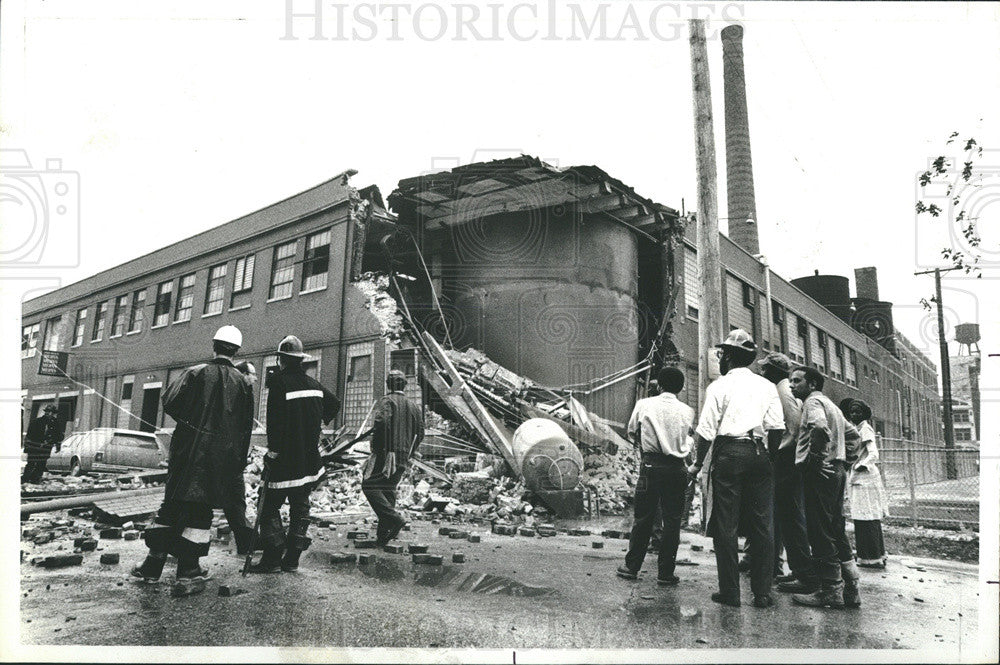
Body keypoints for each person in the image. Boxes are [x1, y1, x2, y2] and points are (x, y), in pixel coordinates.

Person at [132, 325, 254, 595]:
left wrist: (191, 422)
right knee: (201, 511)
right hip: (220, 458)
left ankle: (152, 565)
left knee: (171, 506)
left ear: (214, 345)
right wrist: (238, 458)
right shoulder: (243, 383)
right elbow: (246, 426)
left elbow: (170, 402)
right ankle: (189, 569)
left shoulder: (195, 373)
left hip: (187, 452)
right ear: (236, 351)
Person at [688, 329, 785, 609]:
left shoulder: (719, 386)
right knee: (762, 526)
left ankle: (731, 592)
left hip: (730, 453)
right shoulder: (766, 386)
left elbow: (706, 431)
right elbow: (776, 427)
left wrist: (697, 464)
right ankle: (763, 593)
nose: (720, 359)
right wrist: (770, 458)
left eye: (722, 354)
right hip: (759, 453)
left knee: (725, 525)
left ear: (729, 357)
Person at [250, 335, 340, 573]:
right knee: (300, 507)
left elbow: (275, 422)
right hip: (308, 460)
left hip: (285, 461)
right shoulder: (314, 384)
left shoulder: (278, 382)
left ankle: (271, 558)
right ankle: (292, 559)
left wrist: (273, 452)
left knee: (268, 506)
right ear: (300, 360)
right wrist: (315, 423)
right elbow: (335, 404)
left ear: (281, 360)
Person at [785, 366, 863, 608]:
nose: (791, 385)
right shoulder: (833, 406)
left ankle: (830, 590)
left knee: (819, 529)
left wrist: (816, 459)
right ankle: (851, 588)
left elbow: (819, 427)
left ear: (812, 385)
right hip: (836, 470)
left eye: (797, 381)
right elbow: (854, 437)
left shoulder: (812, 403)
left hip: (820, 472)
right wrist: (844, 461)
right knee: (835, 527)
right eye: (790, 381)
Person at [616, 366, 695, 586]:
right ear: (680, 388)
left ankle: (631, 567)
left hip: (650, 466)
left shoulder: (644, 404)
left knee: (643, 517)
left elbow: (632, 432)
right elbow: (689, 439)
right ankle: (666, 573)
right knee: (672, 521)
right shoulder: (688, 411)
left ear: (658, 385)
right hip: (678, 469)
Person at [759, 352, 812, 587]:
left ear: (774, 371)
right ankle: (788, 567)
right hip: (788, 460)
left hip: (787, 462)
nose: (762, 372)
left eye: (765, 369)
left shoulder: (782, 391)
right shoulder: (781, 389)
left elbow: (795, 427)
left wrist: (777, 452)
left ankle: (803, 573)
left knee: (791, 517)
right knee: (782, 516)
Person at [362, 369, 424, 547]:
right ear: (404, 385)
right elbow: (420, 433)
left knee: (369, 485)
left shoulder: (387, 401)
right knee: (388, 490)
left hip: (386, 453)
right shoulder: (414, 406)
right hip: (404, 455)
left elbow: (381, 423)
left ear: (388, 384)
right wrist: (410, 452)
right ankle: (383, 536)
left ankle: (395, 519)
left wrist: (377, 447)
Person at [220, 360, 258, 556]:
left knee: (235, 502)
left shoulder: (242, 393)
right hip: (228, 456)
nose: (255, 378)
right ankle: (247, 541)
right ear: (242, 375)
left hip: (232, 457)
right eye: (252, 374)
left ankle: (246, 541)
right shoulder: (237, 394)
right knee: (234, 500)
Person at [847, 399, 888, 569]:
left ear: (865, 414)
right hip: (857, 478)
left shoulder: (865, 429)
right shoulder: (855, 429)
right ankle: (868, 553)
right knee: (860, 516)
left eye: (858, 412)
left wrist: (860, 465)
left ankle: (873, 556)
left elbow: (873, 454)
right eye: (852, 412)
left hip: (866, 478)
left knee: (868, 516)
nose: (855, 415)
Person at [22, 404, 65, 484]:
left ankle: (35, 480)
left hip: (46, 447)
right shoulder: (37, 422)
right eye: (48, 412)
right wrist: (30, 445)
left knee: (41, 464)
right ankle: (25, 480)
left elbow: (59, 435)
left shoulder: (55, 423)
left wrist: (56, 443)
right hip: (34, 447)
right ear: (45, 412)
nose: (50, 414)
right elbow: (30, 435)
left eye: (52, 412)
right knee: (31, 463)